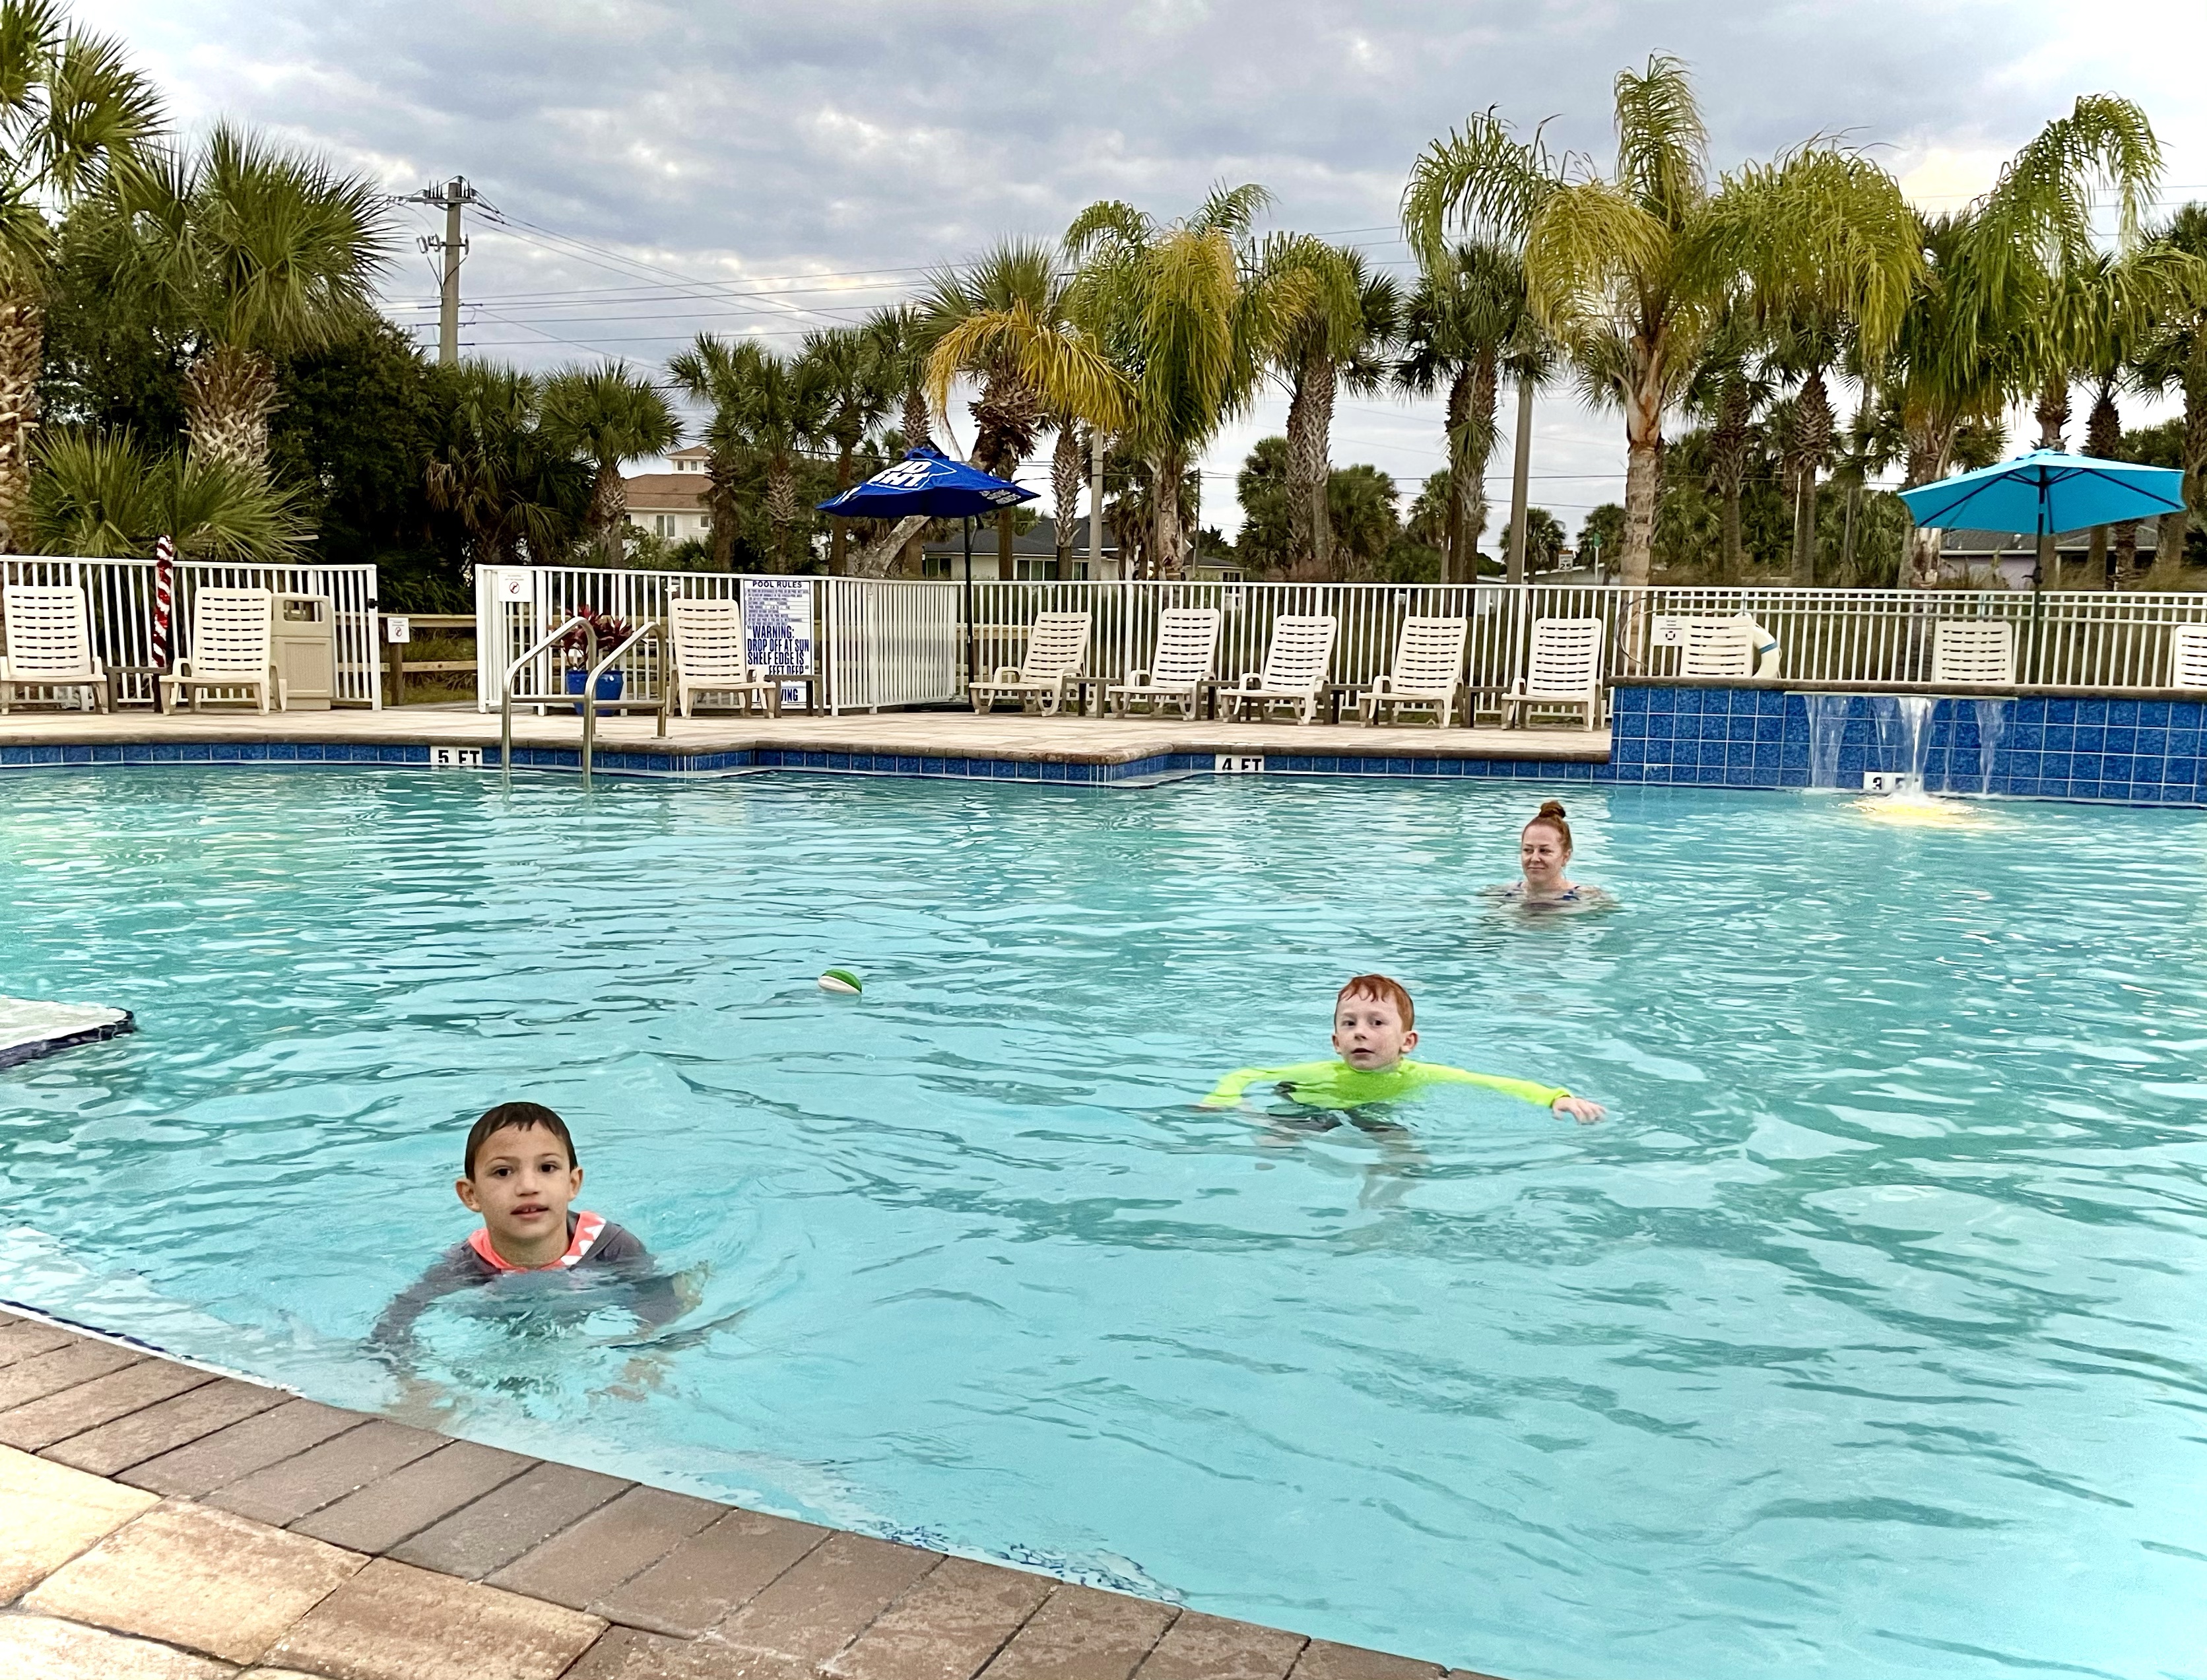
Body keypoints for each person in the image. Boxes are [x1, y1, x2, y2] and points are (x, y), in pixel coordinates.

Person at [371, 1101, 682, 1360]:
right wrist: (407, 1374)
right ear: (471, 1195)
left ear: (572, 1183)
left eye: (547, 1168)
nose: (528, 1186)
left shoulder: (609, 1246)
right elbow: (396, 1321)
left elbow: (662, 1304)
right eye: (503, 1172)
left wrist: (645, 1357)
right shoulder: (466, 1265)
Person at [1199, 975, 1604, 1124]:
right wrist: (1224, 1097)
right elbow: (1248, 1074)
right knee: (1278, 1135)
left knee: (1401, 1150)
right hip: (1313, 1104)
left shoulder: (1422, 1074)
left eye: (1377, 1023)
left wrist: (1556, 1097)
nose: (1361, 1033)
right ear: (1336, 1042)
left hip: (1371, 1112)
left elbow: (1493, 1083)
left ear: (1407, 1042)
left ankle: (1384, 1207)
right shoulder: (1319, 1073)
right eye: (1349, 1024)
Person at [1490, 800, 1610, 909]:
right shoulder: (1500, 896)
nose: (1534, 858)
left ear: (1566, 857)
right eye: (1528, 850)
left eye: (1544, 851)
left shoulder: (1590, 899)